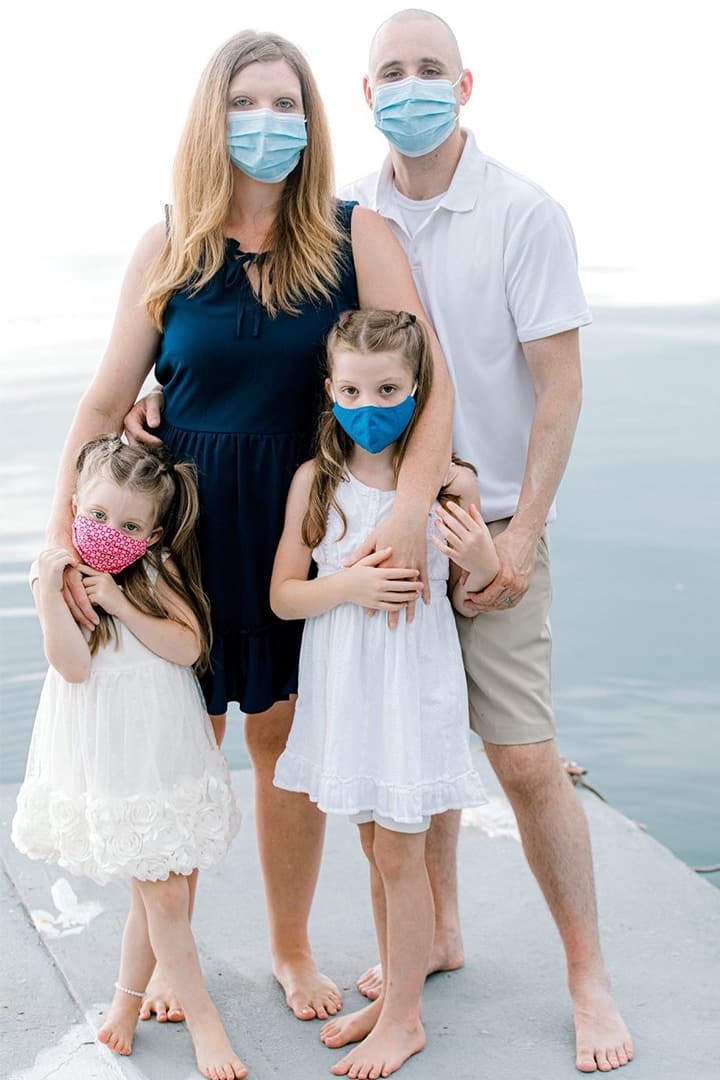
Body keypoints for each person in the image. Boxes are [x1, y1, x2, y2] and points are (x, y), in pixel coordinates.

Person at [59, 30, 454, 1024]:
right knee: (178, 748)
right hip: (179, 543)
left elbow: (432, 386)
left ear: (313, 121)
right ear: (212, 116)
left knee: (282, 745)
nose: (268, 122)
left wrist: (408, 514)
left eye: (287, 103)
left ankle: (289, 949)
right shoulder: (168, 244)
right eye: (248, 102)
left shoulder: (355, 236)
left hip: (293, 532)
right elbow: (106, 403)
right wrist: (62, 542)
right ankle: (163, 963)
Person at [339, 9, 634, 1074]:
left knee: (521, 756)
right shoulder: (355, 214)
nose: (410, 86)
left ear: (466, 88)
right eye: (391, 72)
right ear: (365, 92)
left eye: (430, 70)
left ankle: (586, 975)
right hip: (390, 524)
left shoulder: (522, 213)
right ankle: (444, 932)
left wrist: (519, 542)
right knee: (414, 750)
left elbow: (561, 390)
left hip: (498, 518)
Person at [270, 309, 498, 1077]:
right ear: (330, 390)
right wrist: (351, 583)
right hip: (347, 694)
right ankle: (394, 993)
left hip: (407, 693)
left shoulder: (439, 481)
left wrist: (482, 549)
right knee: (376, 849)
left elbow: (477, 584)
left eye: (391, 389)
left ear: (417, 389)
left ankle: (404, 1017)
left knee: (401, 857)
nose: (372, 406)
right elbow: (284, 598)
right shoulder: (316, 481)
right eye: (354, 390)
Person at [12, 436, 244, 1079]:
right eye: (98, 516)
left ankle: (129, 1002)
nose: (111, 532)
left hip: (161, 754)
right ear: (73, 506)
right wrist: (48, 588)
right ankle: (199, 1021)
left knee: (159, 894)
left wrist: (120, 600)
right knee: (161, 895)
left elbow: (189, 642)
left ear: (155, 532)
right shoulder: (58, 578)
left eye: (131, 524)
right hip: (111, 760)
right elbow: (73, 666)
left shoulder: (153, 571)